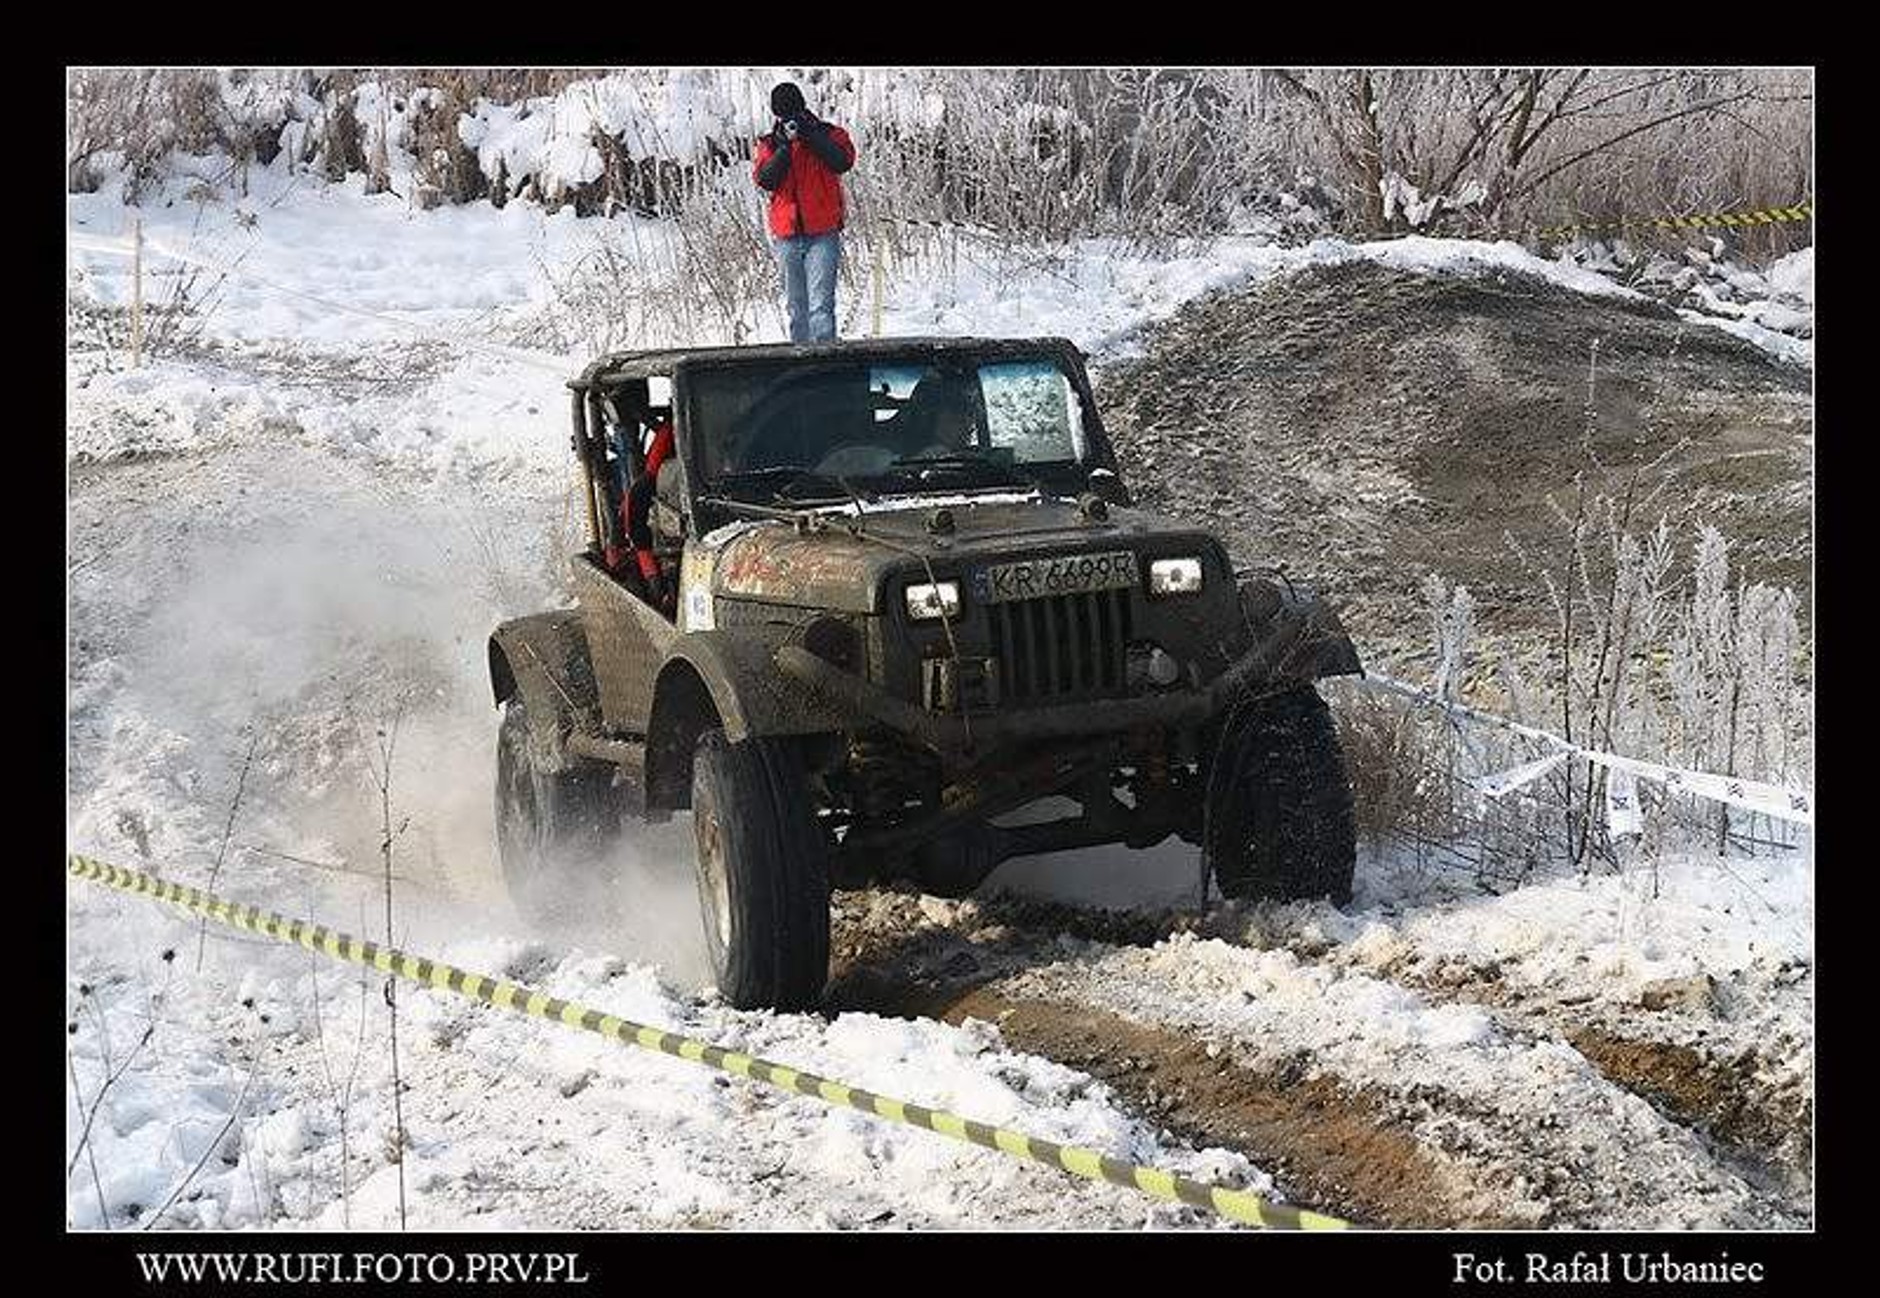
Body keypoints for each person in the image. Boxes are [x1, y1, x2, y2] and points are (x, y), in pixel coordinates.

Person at [752, 81, 856, 342]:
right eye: (784, 117)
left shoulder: (829, 133)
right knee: (797, 309)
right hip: (787, 233)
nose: (790, 122)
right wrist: (784, 149)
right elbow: (765, 180)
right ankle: (801, 364)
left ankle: (825, 366)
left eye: (793, 115)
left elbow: (842, 161)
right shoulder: (770, 143)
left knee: (821, 308)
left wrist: (811, 137)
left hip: (822, 232)